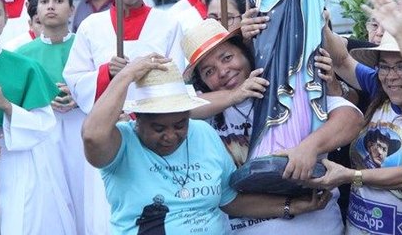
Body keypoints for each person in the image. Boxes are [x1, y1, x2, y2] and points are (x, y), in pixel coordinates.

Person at [82, 55, 331, 234]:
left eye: (180, 124)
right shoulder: (121, 144)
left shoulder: (203, 133)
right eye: (159, 128)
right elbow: (92, 135)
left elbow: (229, 199)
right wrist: (126, 76)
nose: (170, 135)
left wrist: (292, 206)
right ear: (139, 120)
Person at [183, 19, 363, 234]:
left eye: (227, 57)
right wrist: (233, 96)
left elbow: (351, 118)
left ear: (247, 53)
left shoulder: (287, 84)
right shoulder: (204, 115)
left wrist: (309, 148)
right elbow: (172, 109)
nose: (222, 71)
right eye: (209, 71)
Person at [63, 0, 185, 235]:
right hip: (109, 132)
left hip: (151, 132)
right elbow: (75, 79)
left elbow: (177, 78)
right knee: (107, 213)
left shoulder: (167, 24)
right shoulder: (91, 26)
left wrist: (140, 79)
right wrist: (107, 74)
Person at [307, 17, 402, 234]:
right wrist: (320, 19)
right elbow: (341, 61)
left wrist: (351, 176)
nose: (391, 76)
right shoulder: (380, 88)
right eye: (384, 66)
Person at [243, 0, 327, 157]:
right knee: (273, 79)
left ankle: (298, 143)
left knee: (298, 80)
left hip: (300, 32)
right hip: (273, 29)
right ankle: (269, 147)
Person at [0, 0, 77, 235]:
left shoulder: (25, 67)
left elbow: (44, 123)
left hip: (14, 161)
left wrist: (8, 107)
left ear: (6, 19)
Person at [16, 0, 87, 234]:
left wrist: (79, 94)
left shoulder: (85, 45)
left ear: (71, 9)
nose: (51, 6)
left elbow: (101, 86)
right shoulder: (22, 54)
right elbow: (18, 99)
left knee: (84, 193)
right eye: (45, 1)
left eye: (59, 1)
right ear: (36, 11)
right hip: (45, 134)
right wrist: (44, 98)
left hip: (82, 129)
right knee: (53, 198)